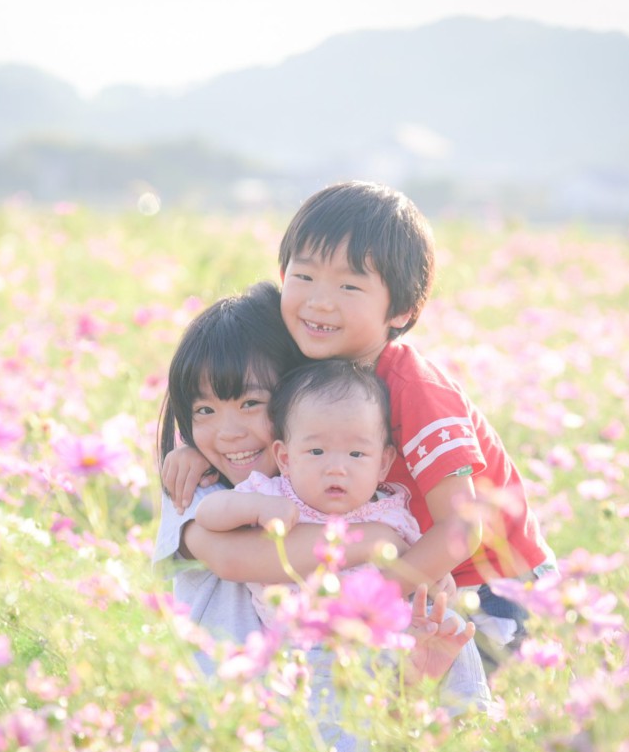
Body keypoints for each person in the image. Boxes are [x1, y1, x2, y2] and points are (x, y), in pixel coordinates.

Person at [167, 182, 556, 664]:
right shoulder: (311, 361)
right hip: (409, 568)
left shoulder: (416, 390)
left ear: (402, 311)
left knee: (469, 713)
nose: (319, 302)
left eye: (349, 286)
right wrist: (193, 447)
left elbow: (461, 531)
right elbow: (240, 405)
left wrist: (371, 599)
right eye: (303, 276)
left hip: (492, 582)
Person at [152, 283, 491, 752]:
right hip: (215, 705)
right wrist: (371, 541)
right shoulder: (194, 482)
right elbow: (231, 555)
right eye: (204, 411)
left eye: (251, 404)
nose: (227, 432)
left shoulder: (348, 490)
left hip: (307, 693)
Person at [198, 358, 476, 659]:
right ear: (285, 458)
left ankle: (458, 696)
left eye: (356, 454)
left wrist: (436, 578)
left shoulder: (390, 514)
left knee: (449, 628)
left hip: (366, 644)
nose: (337, 468)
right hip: (295, 646)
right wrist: (256, 507)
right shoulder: (273, 493)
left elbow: (418, 564)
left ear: (383, 463)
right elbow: (207, 513)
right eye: (316, 451)